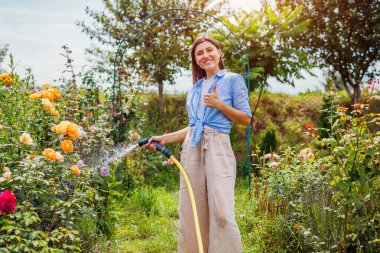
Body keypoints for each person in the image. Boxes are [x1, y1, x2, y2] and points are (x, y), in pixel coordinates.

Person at [146, 34, 252, 253]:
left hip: (218, 148)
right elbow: (194, 127)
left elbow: (245, 119)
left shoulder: (232, 80)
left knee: (222, 211)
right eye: (200, 53)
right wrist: (164, 138)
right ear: (195, 60)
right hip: (192, 150)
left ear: (219, 52)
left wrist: (219, 104)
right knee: (193, 208)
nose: (206, 56)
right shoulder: (195, 89)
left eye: (209, 50)